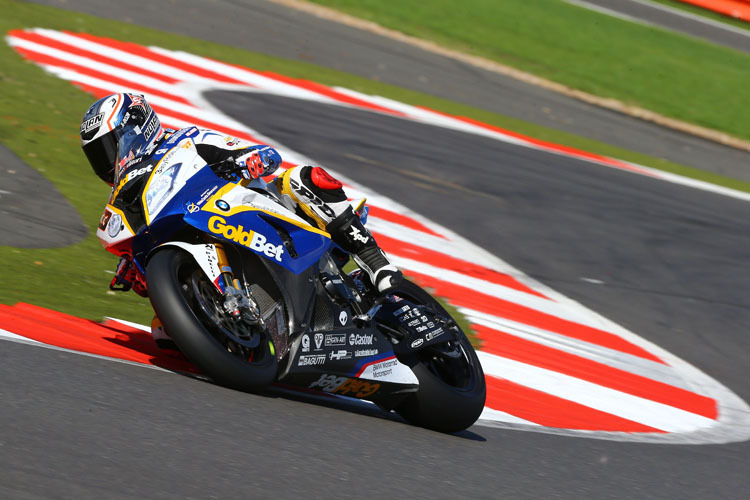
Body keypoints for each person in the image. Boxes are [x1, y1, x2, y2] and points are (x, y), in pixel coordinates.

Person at [81, 92, 403, 299]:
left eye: (108, 148)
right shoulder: (128, 197)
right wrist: (136, 269)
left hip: (260, 212)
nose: (106, 162)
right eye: (97, 156)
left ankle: (376, 262)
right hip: (207, 235)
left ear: (135, 129)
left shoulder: (185, 139)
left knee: (301, 179)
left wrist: (248, 160)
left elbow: (263, 154)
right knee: (163, 336)